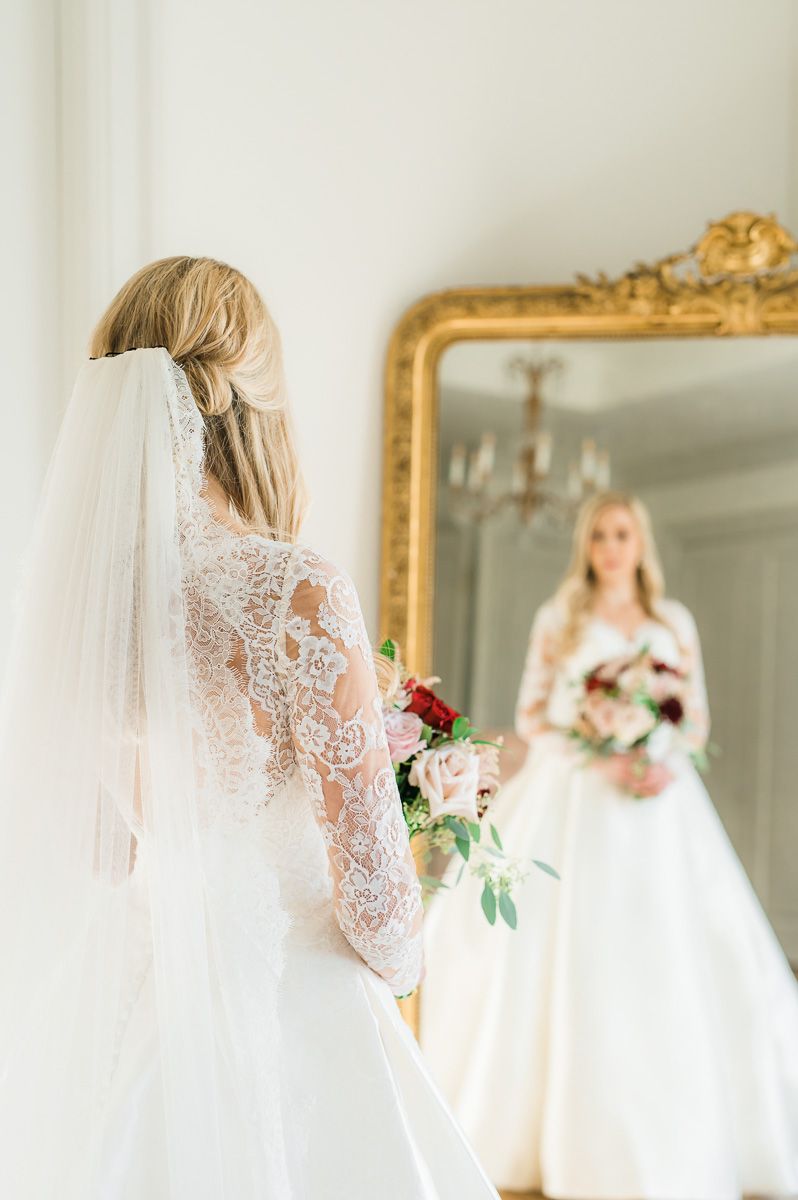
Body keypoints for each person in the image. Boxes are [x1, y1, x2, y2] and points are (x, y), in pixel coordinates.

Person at [0, 257, 498, 1200]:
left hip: (134, 998)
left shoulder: (85, 603)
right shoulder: (291, 590)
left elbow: (106, 856)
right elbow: (386, 927)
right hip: (288, 1002)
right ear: (250, 402)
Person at [420, 490, 798, 1200]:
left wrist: (656, 752)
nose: (611, 547)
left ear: (640, 542)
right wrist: (603, 750)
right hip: (578, 794)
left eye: (622, 534)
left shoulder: (670, 622)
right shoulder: (560, 619)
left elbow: (694, 719)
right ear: (587, 547)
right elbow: (534, 716)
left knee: (670, 950)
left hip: (658, 804)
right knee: (571, 948)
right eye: (599, 536)